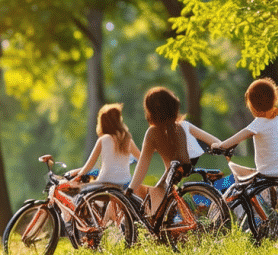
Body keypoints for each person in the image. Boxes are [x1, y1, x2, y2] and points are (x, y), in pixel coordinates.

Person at [210, 77, 278, 193]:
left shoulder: (259, 123)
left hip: (269, 175)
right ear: (275, 99)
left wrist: (219, 146)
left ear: (252, 106)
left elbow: (235, 139)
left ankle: (204, 199)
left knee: (234, 181)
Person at [128, 87, 190, 216]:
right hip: (181, 175)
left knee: (144, 194)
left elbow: (143, 164)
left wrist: (130, 189)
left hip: (171, 177)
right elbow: (183, 160)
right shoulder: (179, 129)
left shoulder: (153, 132)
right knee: (157, 191)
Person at [72, 103, 141, 187]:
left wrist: (77, 177)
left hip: (105, 181)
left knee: (82, 191)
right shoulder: (127, 139)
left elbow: (89, 165)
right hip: (124, 182)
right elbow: (141, 158)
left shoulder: (103, 140)